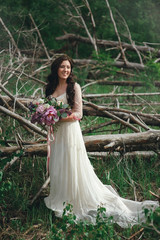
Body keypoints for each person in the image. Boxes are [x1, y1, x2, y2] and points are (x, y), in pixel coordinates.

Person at [44, 54, 159, 227]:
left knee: (72, 164)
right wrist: (45, 116)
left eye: (68, 67)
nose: (65, 70)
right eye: (62, 67)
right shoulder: (49, 88)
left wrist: (58, 118)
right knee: (58, 164)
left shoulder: (74, 87)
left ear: (71, 69)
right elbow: (46, 108)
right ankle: (61, 195)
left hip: (70, 132)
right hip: (57, 134)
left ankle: (74, 199)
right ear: (56, 68)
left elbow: (78, 113)